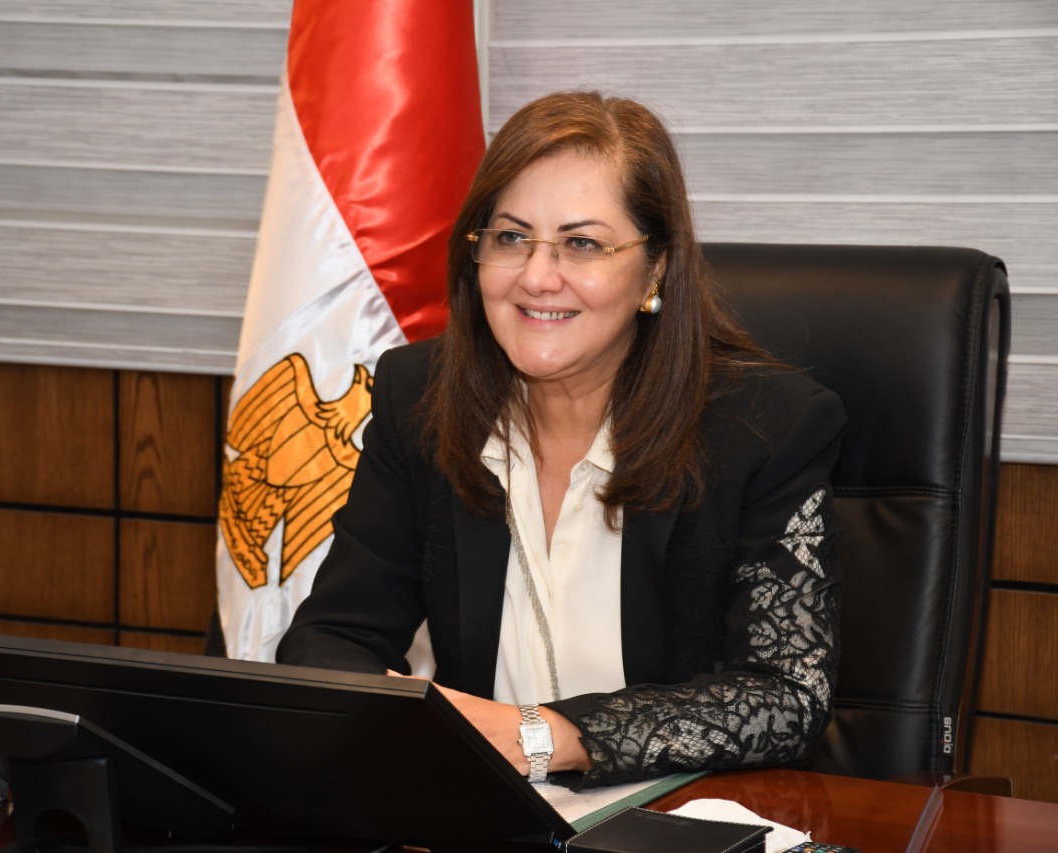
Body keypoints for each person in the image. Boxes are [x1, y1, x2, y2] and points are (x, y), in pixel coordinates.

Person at [276, 91, 846, 789]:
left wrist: (546, 737)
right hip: (480, 812)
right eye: (511, 238)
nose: (536, 277)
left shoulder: (765, 425)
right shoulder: (419, 397)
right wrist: (391, 718)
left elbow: (786, 696)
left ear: (656, 268)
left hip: (679, 815)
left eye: (582, 244)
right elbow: (333, 636)